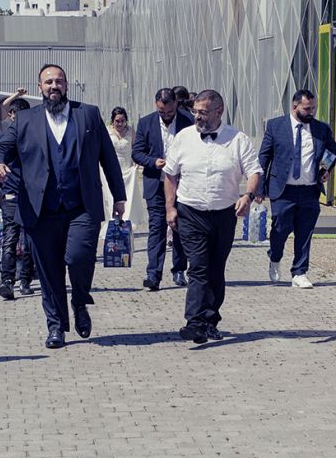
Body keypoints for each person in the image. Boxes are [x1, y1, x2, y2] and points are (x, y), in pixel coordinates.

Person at [0, 63, 126, 348]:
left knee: (78, 258)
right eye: (49, 82)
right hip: (41, 211)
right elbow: (1, 147)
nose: (54, 86)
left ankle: (79, 301)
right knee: (49, 272)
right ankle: (56, 326)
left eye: (59, 81)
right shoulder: (25, 119)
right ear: (40, 87)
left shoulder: (87, 114)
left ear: (67, 85)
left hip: (82, 207)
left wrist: (119, 197)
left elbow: (108, 157)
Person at [163, 89, 262, 344]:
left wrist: (247, 196)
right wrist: (170, 208)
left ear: (219, 112)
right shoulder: (184, 138)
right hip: (190, 212)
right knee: (198, 267)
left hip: (223, 214)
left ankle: (210, 320)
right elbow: (171, 175)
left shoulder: (237, 139)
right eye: (195, 111)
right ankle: (194, 322)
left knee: (216, 269)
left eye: (203, 112)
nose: (197, 116)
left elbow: (254, 171)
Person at [259, 88, 336, 289]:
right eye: (307, 108)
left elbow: (333, 150)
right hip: (282, 190)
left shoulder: (321, 129)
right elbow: (264, 157)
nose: (311, 112)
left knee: (305, 232)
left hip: (309, 190)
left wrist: (326, 169)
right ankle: (275, 256)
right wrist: (259, 188)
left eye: (313, 108)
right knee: (280, 228)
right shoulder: (275, 126)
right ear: (295, 106)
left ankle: (299, 272)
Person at [131, 88, 192, 290]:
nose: (165, 116)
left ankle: (179, 271)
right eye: (161, 112)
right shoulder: (146, 123)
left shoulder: (188, 121)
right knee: (157, 229)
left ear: (175, 105)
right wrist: (153, 161)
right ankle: (153, 274)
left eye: (169, 112)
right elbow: (137, 153)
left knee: (180, 229)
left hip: (182, 184)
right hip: (156, 184)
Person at [0, 97, 35, 300]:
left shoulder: (35, 136)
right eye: (13, 115)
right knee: (10, 239)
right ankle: (8, 280)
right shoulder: (5, 138)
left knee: (28, 240)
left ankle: (25, 280)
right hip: (10, 193)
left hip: (30, 195)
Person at [104, 107, 142, 234]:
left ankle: (125, 220)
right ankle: (111, 221)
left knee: (127, 196)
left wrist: (136, 162)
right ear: (112, 121)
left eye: (122, 121)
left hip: (127, 169)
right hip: (111, 168)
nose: (119, 124)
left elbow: (135, 148)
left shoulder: (131, 131)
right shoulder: (107, 131)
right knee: (110, 196)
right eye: (117, 121)